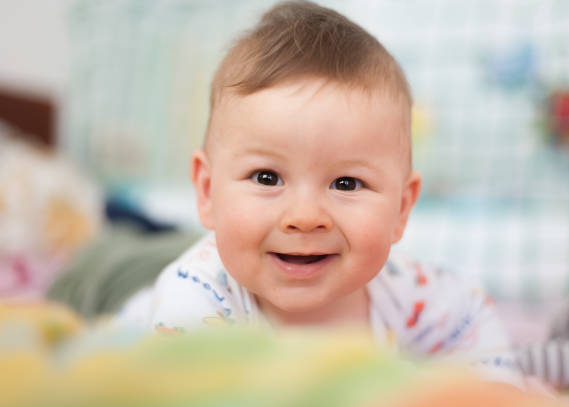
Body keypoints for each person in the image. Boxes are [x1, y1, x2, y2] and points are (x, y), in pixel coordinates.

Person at [120, 0, 522, 386]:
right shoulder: (195, 302)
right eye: (266, 177)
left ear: (401, 207)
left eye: (346, 184)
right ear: (207, 192)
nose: (306, 215)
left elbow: (474, 333)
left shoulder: (409, 294)